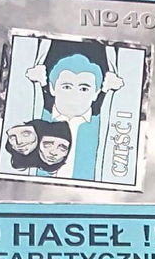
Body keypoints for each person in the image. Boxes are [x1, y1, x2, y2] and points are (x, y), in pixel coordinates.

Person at [25, 45, 122, 180]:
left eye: (84, 89)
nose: (74, 95)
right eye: (66, 87)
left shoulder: (103, 126)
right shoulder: (38, 116)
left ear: (96, 93)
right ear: (52, 88)